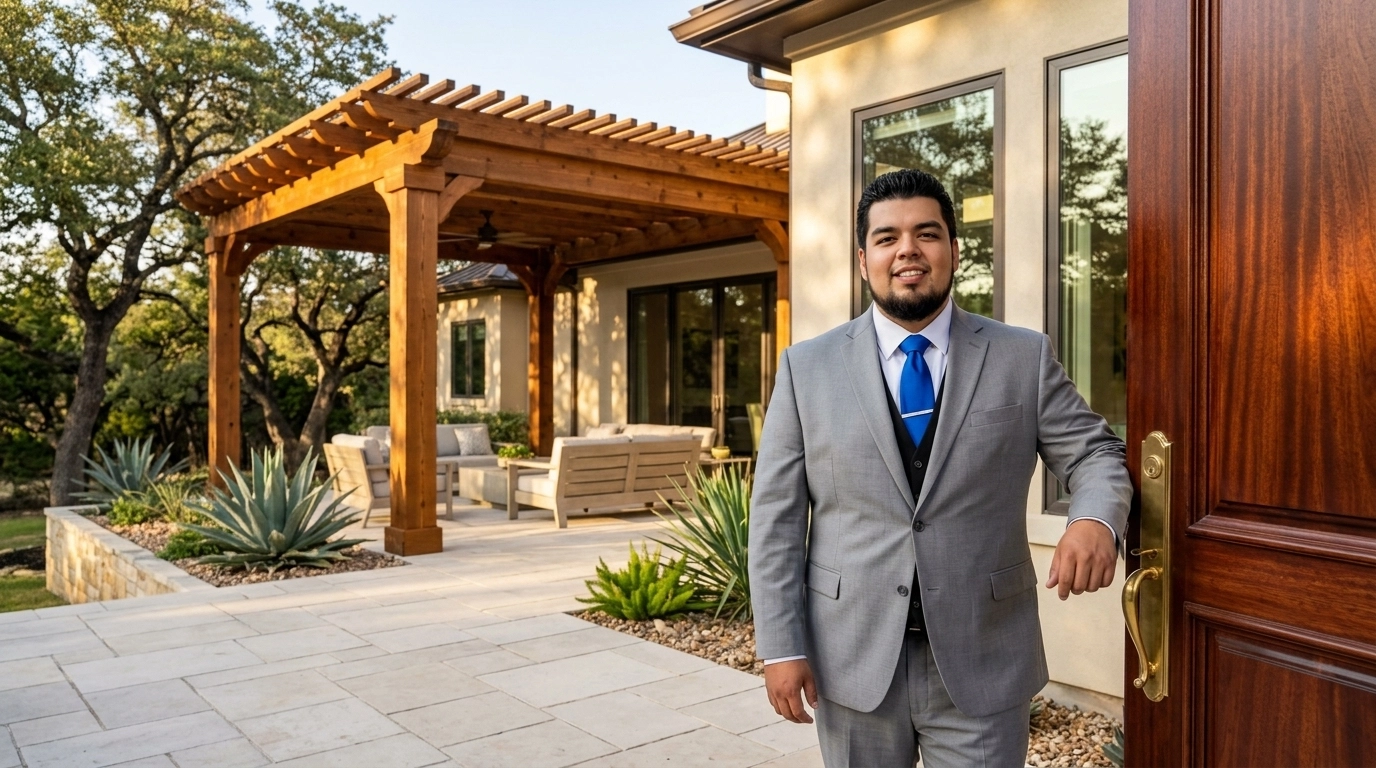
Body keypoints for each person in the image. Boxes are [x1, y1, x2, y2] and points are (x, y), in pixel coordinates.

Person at [749, 169, 1132, 767]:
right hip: (851, 658)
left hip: (984, 655)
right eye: (887, 238)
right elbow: (774, 520)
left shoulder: (1021, 356)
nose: (907, 249)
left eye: (926, 233)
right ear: (863, 259)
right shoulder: (807, 369)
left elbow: (1095, 452)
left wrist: (1094, 522)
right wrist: (779, 645)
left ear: (954, 251)